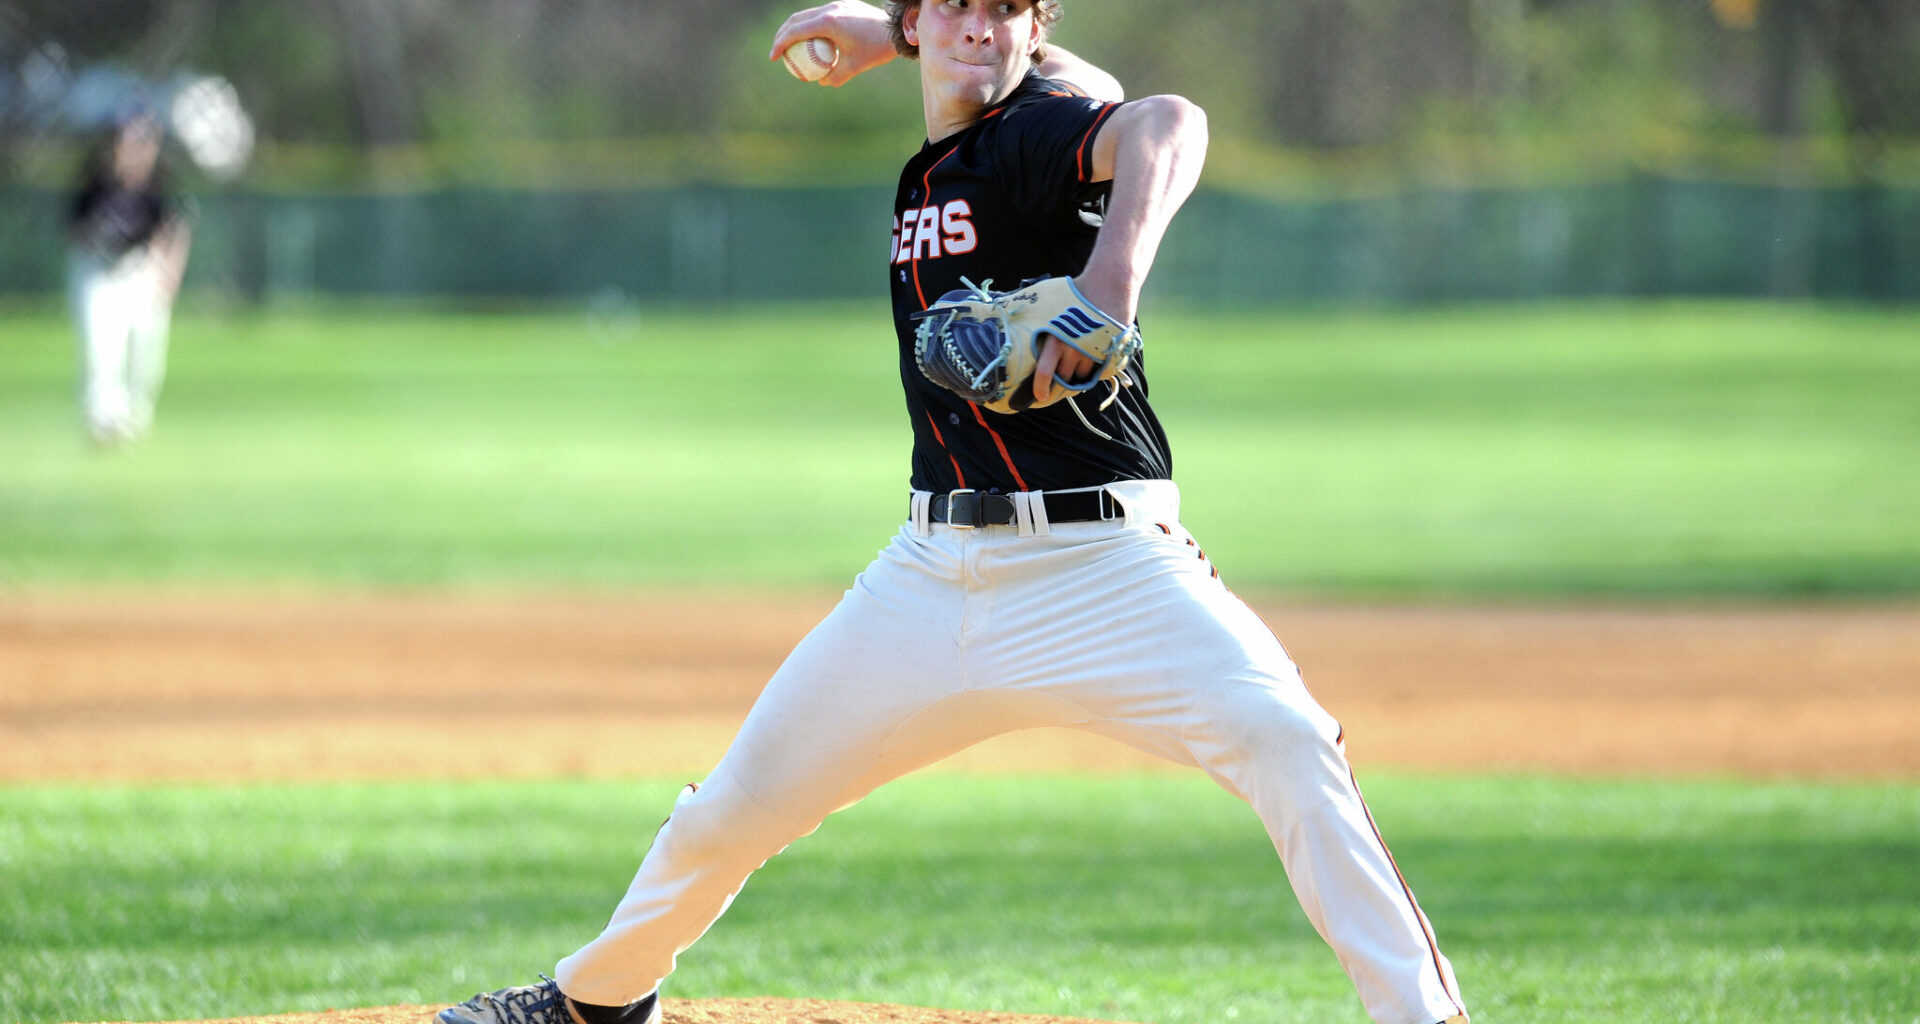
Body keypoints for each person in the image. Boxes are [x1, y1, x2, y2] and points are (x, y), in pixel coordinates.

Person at [440, 3, 1469, 1023]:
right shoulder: (942, 153)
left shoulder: (1038, 133)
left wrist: (1109, 285)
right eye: (955, 4)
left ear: (1038, 26)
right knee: (735, 806)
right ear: (920, 16)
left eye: (1005, 7)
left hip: (1107, 566)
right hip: (931, 577)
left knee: (1286, 738)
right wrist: (901, 37)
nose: (979, 24)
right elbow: (980, 53)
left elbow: (1171, 122)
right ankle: (600, 1000)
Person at [65, 110, 192, 446]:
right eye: (128, 142)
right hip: (100, 271)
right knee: (101, 350)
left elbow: (174, 229)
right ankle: (102, 419)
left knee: (145, 355)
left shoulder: (158, 185)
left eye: (144, 143)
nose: (136, 150)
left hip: (140, 270)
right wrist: (94, 240)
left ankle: (134, 418)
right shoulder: (98, 183)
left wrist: (169, 273)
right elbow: (75, 229)